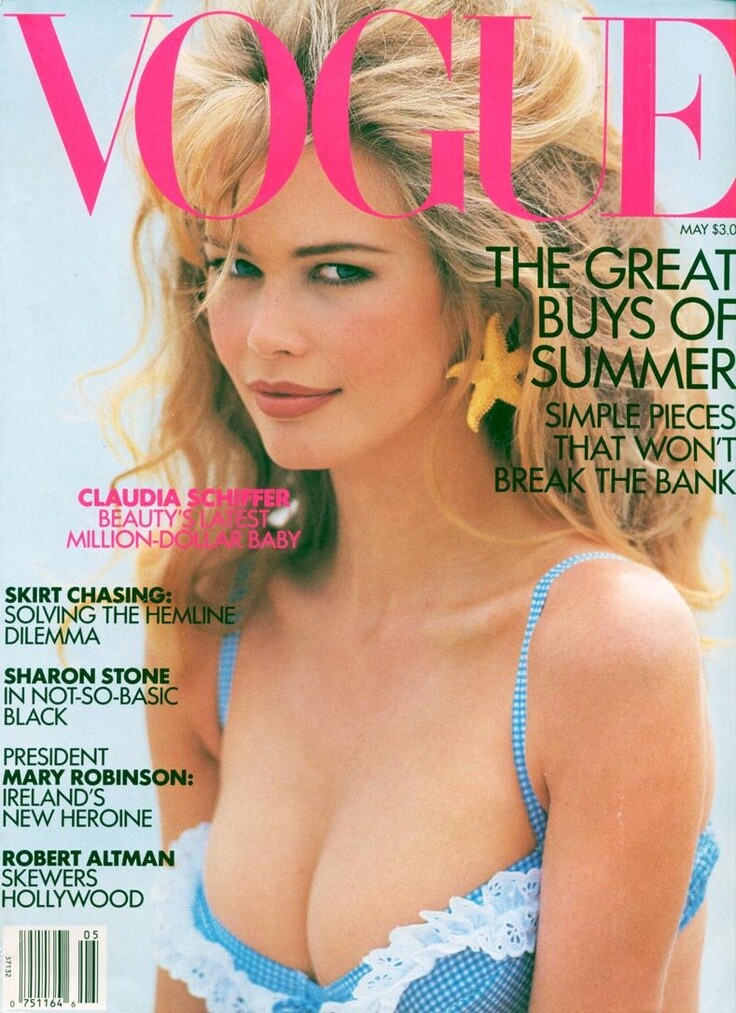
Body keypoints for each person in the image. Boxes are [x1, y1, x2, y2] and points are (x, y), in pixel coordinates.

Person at [126, 0, 719, 1009]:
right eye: (236, 264)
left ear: (486, 294)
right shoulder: (211, 604)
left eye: (337, 270)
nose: (264, 333)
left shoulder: (601, 648)